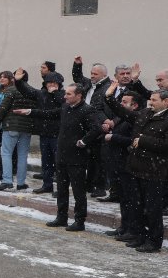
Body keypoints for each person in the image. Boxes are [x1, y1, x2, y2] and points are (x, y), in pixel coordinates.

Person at [18, 84, 101, 231]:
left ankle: (79, 221)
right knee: (61, 189)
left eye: (69, 94)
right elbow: (49, 113)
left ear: (79, 95)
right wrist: (30, 111)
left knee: (78, 191)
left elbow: (96, 128)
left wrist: (84, 141)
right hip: (62, 155)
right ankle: (61, 217)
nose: (65, 96)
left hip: (77, 158)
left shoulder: (87, 110)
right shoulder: (65, 107)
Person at [105, 83, 168, 253]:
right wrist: (109, 98)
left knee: (152, 209)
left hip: (155, 171)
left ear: (166, 102)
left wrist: (143, 140)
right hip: (136, 168)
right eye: (150, 100)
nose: (151, 103)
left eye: (154, 100)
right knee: (137, 205)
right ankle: (140, 236)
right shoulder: (145, 114)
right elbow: (123, 113)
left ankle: (154, 241)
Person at [14, 68, 65, 194]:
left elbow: (62, 107)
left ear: (59, 84)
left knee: (59, 163)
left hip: (58, 134)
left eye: (54, 83)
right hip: (44, 133)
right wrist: (19, 81)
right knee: (46, 161)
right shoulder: (41, 94)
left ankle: (61, 188)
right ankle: (47, 185)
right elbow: (27, 91)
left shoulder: (64, 95)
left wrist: (55, 93)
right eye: (49, 82)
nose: (51, 85)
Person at [102, 91, 142, 240]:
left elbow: (133, 140)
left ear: (135, 105)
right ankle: (124, 227)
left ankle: (132, 229)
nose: (122, 104)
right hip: (117, 163)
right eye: (122, 101)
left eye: (125, 102)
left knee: (131, 199)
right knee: (123, 198)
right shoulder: (121, 117)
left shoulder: (135, 119)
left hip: (128, 164)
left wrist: (114, 137)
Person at [72, 56, 112, 198]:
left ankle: (100, 186)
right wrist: (77, 65)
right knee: (90, 159)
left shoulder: (108, 88)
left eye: (95, 74)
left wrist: (104, 122)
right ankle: (89, 184)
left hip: (99, 127)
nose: (92, 76)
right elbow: (78, 78)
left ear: (104, 75)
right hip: (87, 126)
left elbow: (102, 109)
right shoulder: (90, 84)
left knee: (99, 160)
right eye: (91, 73)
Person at [0, 70, 36, 191]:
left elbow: (3, 107)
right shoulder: (32, 91)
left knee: (6, 153)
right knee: (22, 155)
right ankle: (21, 183)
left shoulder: (11, 90)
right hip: (26, 127)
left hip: (11, 125)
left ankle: (7, 181)